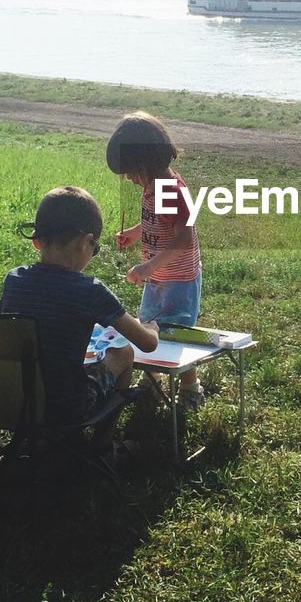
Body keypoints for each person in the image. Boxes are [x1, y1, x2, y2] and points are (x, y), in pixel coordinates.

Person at [0, 185, 159, 432]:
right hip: (65, 408)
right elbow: (147, 344)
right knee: (124, 353)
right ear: (85, 243)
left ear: (37, 242)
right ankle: (102, 446)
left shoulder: (14, 280)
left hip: (11, 399)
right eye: (96, 249)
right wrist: (150, 327)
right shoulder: (90, 291)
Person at [105, 111, 206, 408]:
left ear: (148, 160)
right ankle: (152, 382)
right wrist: (137, 233)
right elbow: (157, 221)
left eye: (133, 172)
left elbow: (183, 239)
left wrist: (148, 266)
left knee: (175, 335)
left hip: (178, 278)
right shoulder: (153, 185)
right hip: (159, 276)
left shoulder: (172, 190)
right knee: (149, 325)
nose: (133, 180)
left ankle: (191, 391)